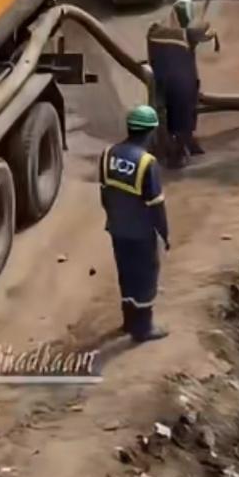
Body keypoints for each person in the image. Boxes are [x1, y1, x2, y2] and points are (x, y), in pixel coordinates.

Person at [99, 103, 170, 343]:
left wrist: (114, 217)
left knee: (126, 273)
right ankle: (143, 329)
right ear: (150, 132)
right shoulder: (147, 162)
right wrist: (165, 234)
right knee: (145, 276)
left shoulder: (108, 154)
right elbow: (156, 205)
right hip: (141, 233)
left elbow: (104, 193)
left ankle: (128, 322)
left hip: (117, 229)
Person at [146, 0, 218, 167]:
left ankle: (169, 145)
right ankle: (180, 149)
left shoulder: (155, 29)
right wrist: (210, 31)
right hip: (182, 82)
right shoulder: (189, 33)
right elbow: (203, 33)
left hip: (159, 80)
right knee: (184, 112)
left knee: (163, 113)